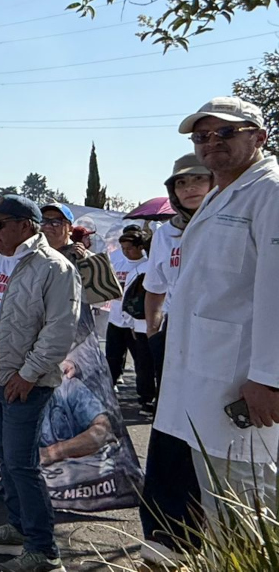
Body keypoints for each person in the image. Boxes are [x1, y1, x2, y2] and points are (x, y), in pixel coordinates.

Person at [155, 97, 279, 530]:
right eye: (202, 136)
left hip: (245, 385)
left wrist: (270, 377)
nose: (211, 142)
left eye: (226, 132)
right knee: (221, 504)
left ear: (259, 137)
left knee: (249, 511)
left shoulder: (270, 191)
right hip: (209, 380)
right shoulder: (221, 194)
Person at [0, 195, 80, 572]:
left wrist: (28, 374)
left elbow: (60, 330)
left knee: (22, 465)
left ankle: (44, 550)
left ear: (25, 226)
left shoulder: (55, 267)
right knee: (7, 461)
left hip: (23, 383)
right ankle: (17, 528)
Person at [136, 153, 212, 565]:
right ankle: (165, 538)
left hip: (220, 347)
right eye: (181, 183)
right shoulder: (167, 233)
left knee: (213, 442)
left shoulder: (232, 219)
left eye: (198, 179)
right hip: (175, 341)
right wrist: (154, 333)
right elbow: (155, 287)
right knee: (169, 438)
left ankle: (209, 537)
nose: (190, 188)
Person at [105, 229, 153, 410]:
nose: (126, 252)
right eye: (123, 248)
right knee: (112, 357)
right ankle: (109, 389)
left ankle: (146, 397)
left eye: (129, 248)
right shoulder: (116, 260)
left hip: (137, 323)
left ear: (141, 248)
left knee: (142, 362)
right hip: (116, 319)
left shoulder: (147, 266)